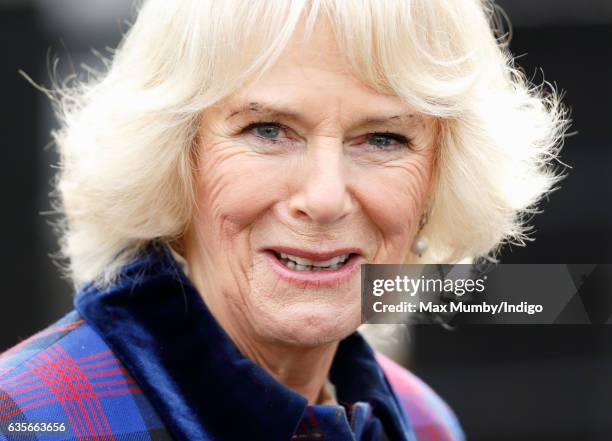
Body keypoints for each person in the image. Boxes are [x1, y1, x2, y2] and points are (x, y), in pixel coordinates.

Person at [0, 0, 566, 439]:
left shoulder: (424, 424)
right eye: (267, 130)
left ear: (442, 180)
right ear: (173, 158)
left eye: (384, 138)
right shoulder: (26, 416)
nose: (324, 198)